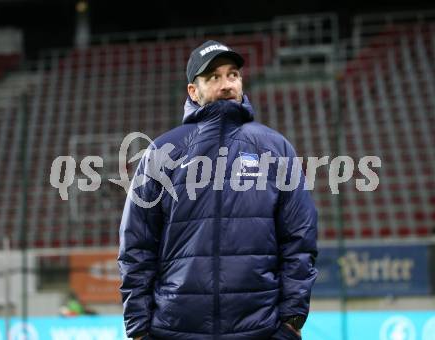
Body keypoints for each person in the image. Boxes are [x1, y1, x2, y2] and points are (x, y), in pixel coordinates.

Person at [118, 40, 318, 340]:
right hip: (175, 330)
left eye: (232, 74)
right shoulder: (163, 151)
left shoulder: (275, 148)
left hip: (260, 329)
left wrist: (291, 320)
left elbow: (300, 240)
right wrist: (138, 328)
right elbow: (137, 244)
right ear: (193, 91)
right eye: (213, 77)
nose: (226, 84)